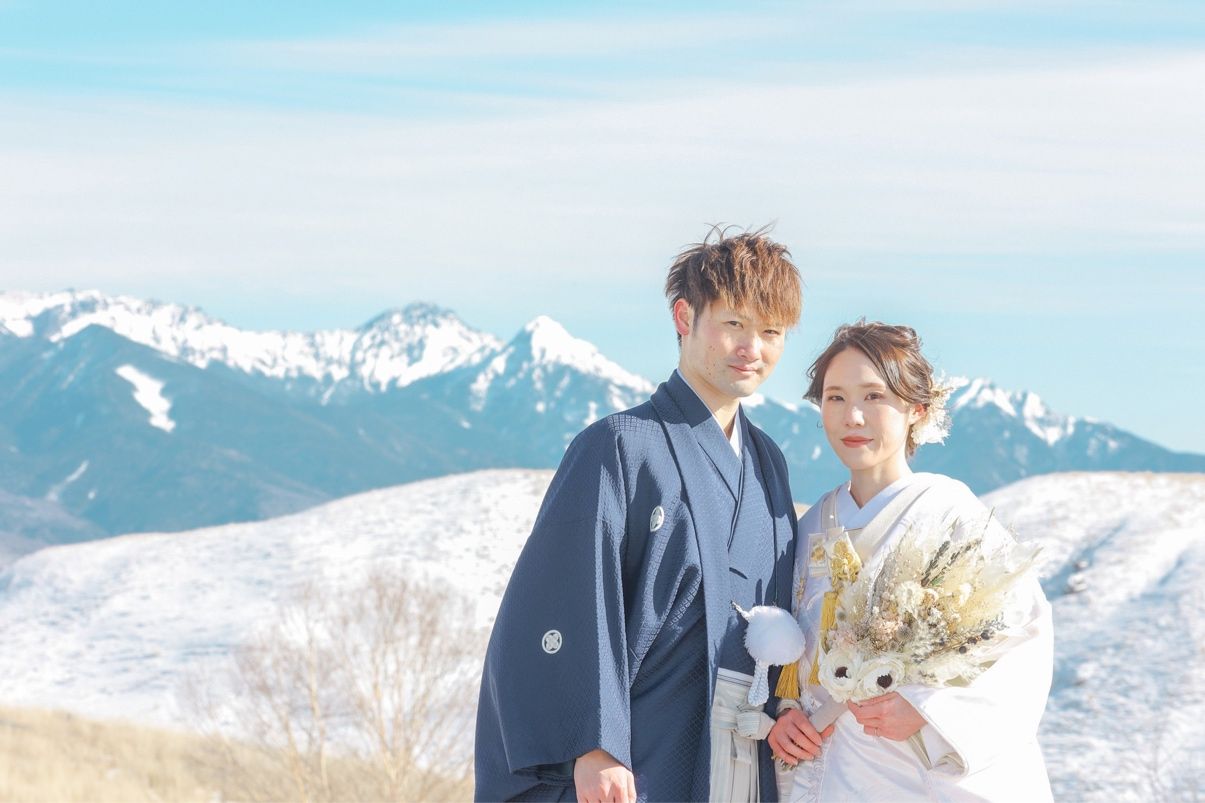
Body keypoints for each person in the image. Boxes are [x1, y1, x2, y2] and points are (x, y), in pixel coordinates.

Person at [475, 227, 804, 802]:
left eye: (771, 332)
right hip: (645, 746)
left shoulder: (767, 461)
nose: (752, 348)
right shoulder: (619, 446)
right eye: (733, 324)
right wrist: (593, 745)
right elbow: (567, 601)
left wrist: (788, 705)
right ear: (684, 316)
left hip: (746, 752)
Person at [767, 321, 1054, 802]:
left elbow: (1023, 645)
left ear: (916, 409)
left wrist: (927, 710)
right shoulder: (809, 525)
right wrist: (783, 714)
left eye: (874, 396)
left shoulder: (954, 518)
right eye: (835, 398)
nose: (852, 416)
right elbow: (789, 655)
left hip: (911, 775)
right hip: (826, 773)